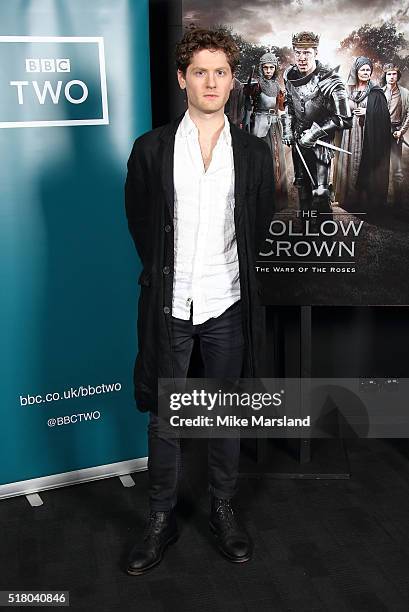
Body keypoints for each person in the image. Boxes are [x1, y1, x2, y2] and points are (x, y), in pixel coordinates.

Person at [124, 28, 274, 575]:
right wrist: (167, 276)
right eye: (200, 71)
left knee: (224, 413)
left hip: (228, 301)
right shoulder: (152, 148)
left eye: (221, 72)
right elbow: (142, 223)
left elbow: (255, 228)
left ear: (233, 81)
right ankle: (160, 517)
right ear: (182, 78)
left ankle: (223, 508)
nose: (211, 82)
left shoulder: (254, 153)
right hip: (171, 305)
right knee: (167, 418)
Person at [281, 31, 352, 218]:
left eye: (307, 53)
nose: (302, 58)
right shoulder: (289, 75)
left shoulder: (330, 79)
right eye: (298, 52)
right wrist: (288, 129)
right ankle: (305, 234)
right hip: (298, 141)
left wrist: (313, 134)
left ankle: (324, 233)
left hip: (320, 144)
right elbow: (289, 102)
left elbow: (345, 118)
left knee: (320, 194)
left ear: (316, 53)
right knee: (302, 189)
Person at [334, 56, 391, 212]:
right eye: (363, 69)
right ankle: (347, 197)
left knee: (362, 162)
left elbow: (384, 114)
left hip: (367, 133)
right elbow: (338, 110)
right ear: (356, 71)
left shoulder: (375, 91)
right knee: (347, 160)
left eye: (368, 70)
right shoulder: (347, 90)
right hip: (348, 133)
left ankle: (364, 199)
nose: (366, 72)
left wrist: (368, 111)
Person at [243, 52, 288, 210]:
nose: (268, 70)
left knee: (276, 160)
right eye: (265, 68)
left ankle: (276, 198)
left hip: (275, 126)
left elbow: (281, 108)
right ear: (261, 69)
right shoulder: (256, 85)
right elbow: (248, 107)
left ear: (275, 69)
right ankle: (259, 198)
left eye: (271, 68)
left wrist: (283, 102)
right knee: (261, 160)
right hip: (260, 125)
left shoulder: (277, 86)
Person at [381, 63, 409, 207]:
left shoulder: (405, 93)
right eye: (388, 74)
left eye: (394, 74)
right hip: (381, 133)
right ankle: (380, 202)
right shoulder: (380, 92)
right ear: (384, 76)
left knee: (397, 169)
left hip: (396, 131)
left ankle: (398, 204)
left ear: (397, 76)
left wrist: (401, 131)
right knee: (380, 167)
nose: (391, 77)